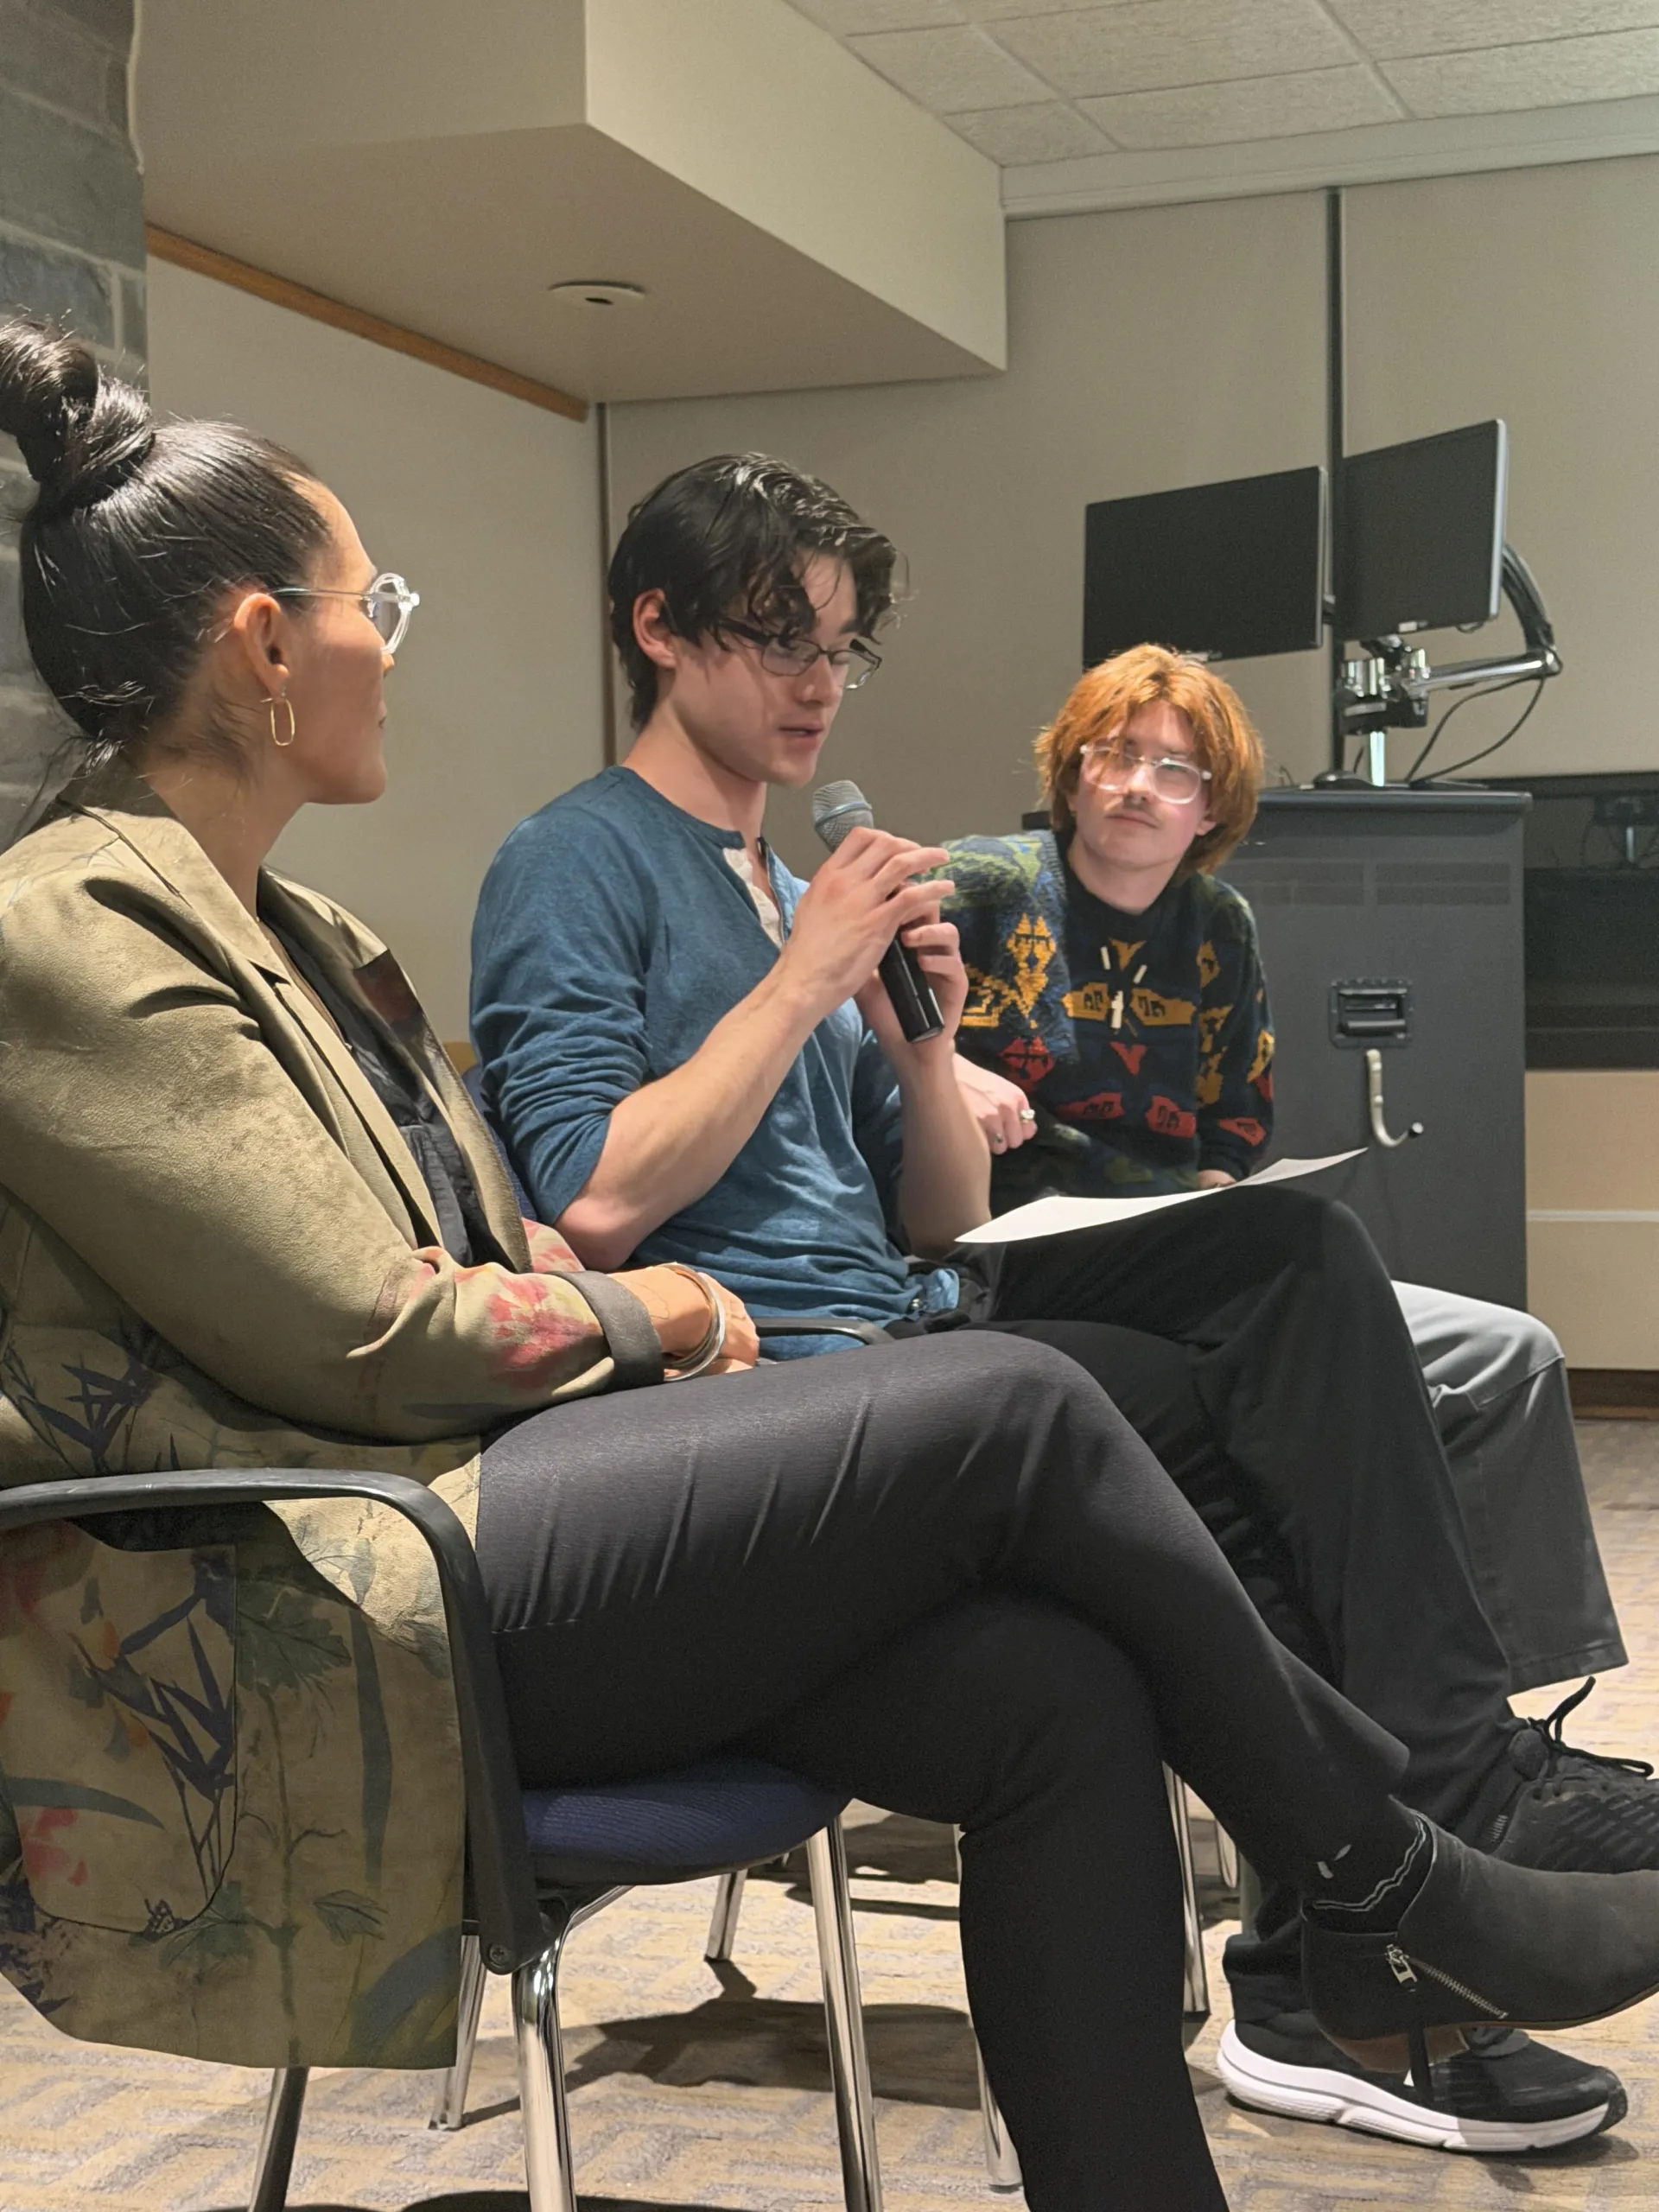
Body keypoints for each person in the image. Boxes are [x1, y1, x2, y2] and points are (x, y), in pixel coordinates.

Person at [16, 330, 1659, 2210]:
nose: (393, 642)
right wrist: (670, 1304)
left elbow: (494, 1236)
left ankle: (1319, 1974)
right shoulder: (75, 926)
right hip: (347, 1571)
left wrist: (908, 1050)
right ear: (260, 643)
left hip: (515, 1482)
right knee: (1025, 1403)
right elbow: (372, 1324)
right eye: (368, 603)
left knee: (1061, 1691)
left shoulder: (295, 920)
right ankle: (1399, 1882)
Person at [471, 450, 1659, 2154]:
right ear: (659, 629)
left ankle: (1410, 1858)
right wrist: (804, 978)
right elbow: (593, 1193)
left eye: (841, 648)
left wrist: (922, 1048)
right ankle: (1386, 1910)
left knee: (1292, 1277)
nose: (820, 683)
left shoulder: (790, 885)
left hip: (906, 1319)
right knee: (1195, 1447)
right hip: (757, 1391)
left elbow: (940, 1214)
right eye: (780, 640)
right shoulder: (574, 861)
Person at [939, 642, 1641, 2125]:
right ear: (1070, 768)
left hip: (1188, 1254)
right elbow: (863, 1032)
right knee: (1306, 1304)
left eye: (1172, 767)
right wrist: (945, 1075)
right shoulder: (986, 886)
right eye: (1112, 754)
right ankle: (1456, 1801)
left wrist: (1211, 1199)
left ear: (1213, 805)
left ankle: (1480, 1766)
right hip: (1023, 1257)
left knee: (1500, 1354)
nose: (1136, 786)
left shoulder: (1220, 929)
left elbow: (1232, 1140)